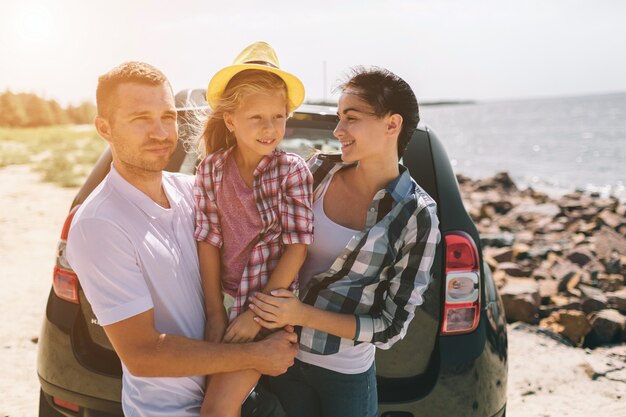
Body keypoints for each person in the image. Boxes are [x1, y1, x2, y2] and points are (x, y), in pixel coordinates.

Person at [65, 61, 298, 417]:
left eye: (168, 116)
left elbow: (278, 222)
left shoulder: (193, 189)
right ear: (104, 128)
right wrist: (256, 354)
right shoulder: (99, 224)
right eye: (141, 118)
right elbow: (143, 354)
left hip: (242, 394)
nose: (160, 132)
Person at [249, 67, 441, 417]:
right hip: (278, 354)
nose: (338, 131)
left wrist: (302, 314)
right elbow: (257, 237)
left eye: (350, 119)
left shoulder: (417, 214)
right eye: (338, 118)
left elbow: (390, 326)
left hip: (344, 374)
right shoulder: (315, 173)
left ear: (392, 124)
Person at [194, 42, 314, 417]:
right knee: (206, 399)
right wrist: (215, 313)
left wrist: (255, 316)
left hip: (269, 309)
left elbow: (297, 248)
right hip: (221, 305)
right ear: (230, 120)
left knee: (216, 408)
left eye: (278, 117)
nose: (270, 129)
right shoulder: (211, 169)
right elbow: (208, 239)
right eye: (257, 118)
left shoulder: (292, 171)